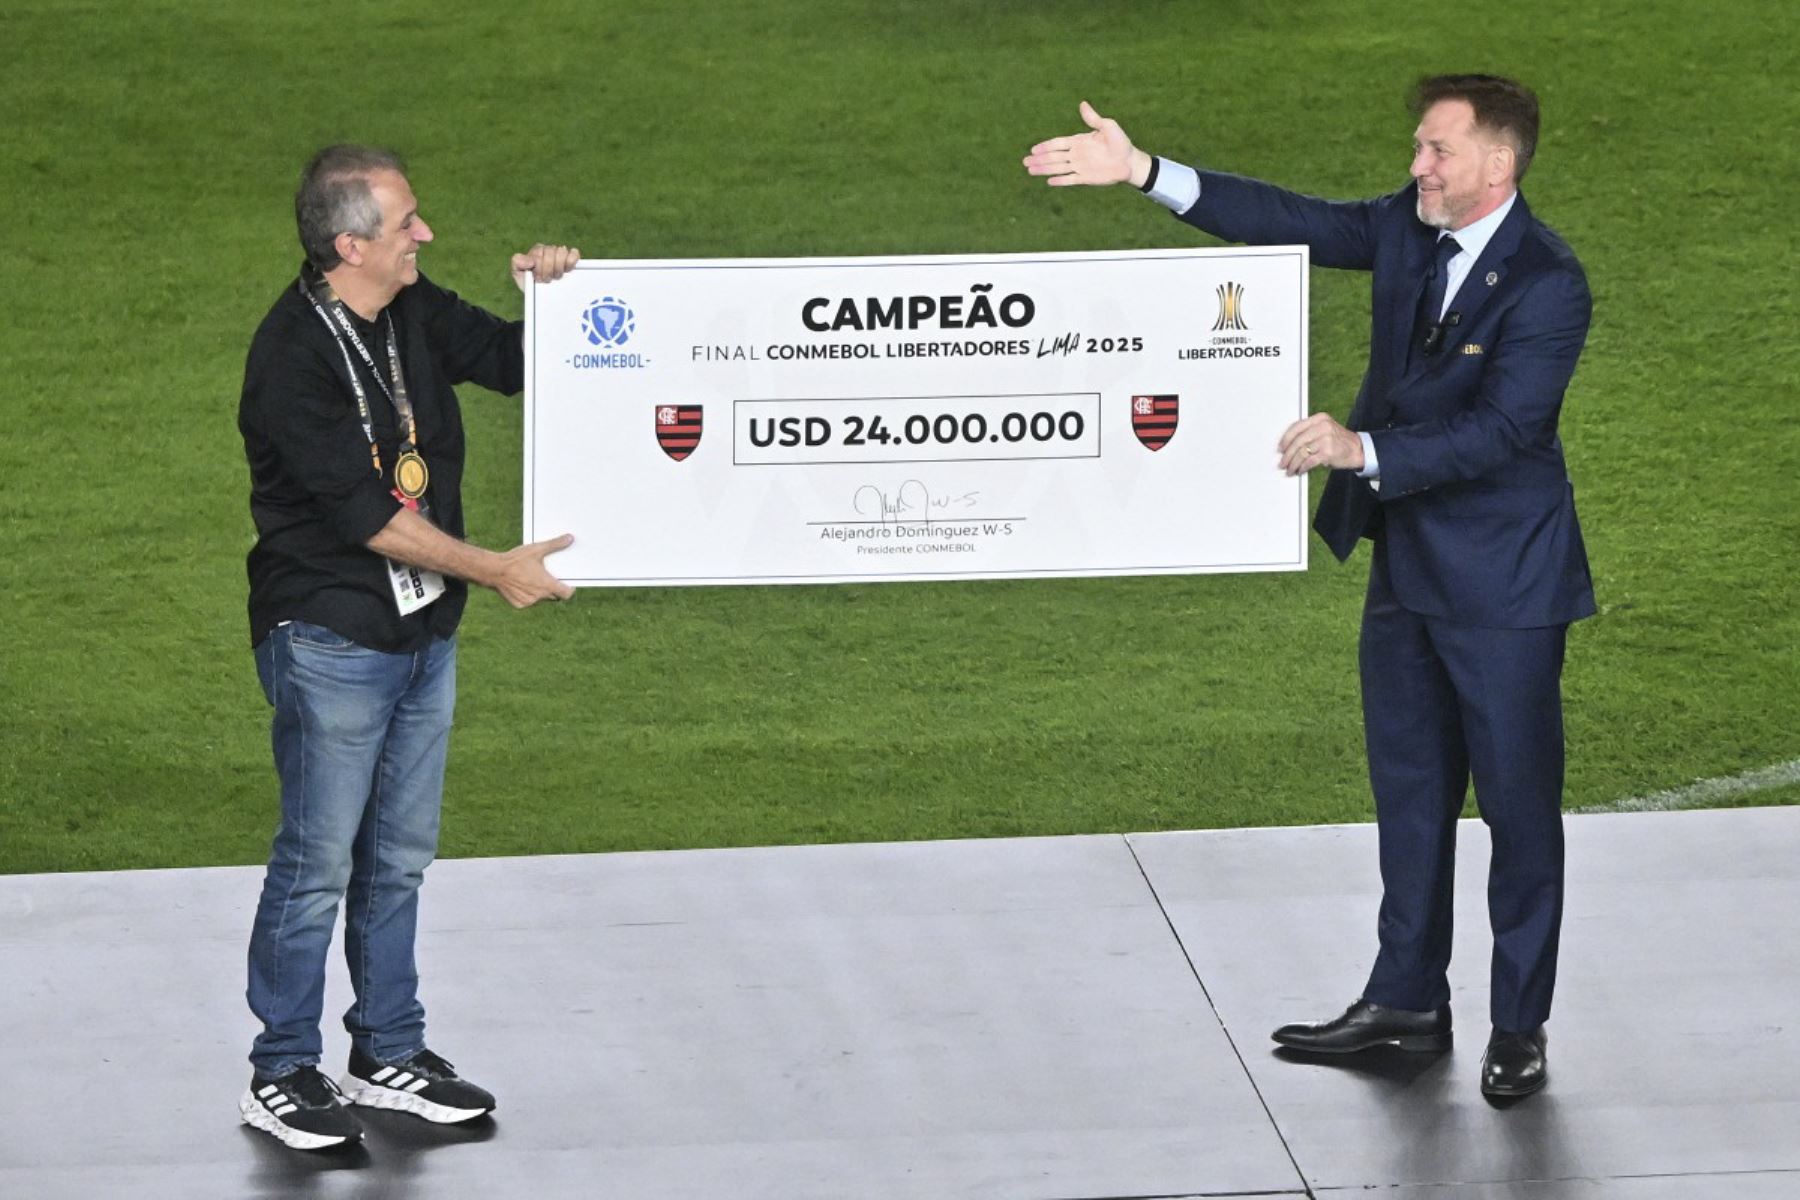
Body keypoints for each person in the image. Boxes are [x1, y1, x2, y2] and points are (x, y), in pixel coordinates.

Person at [1024, 76, 1593, 1098]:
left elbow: (1506, 431)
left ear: (1498, 166)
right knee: (1411, 796)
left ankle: (1520, 1027)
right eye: (1419, 148)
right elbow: (1289, 218)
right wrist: (1146, 171)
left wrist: (1360, 445)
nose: (1417, 167)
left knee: (1518, 810)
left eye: (1437, 152)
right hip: (1409, 572)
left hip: (1506, 589)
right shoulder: (1408, 229)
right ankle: (1407, 1003)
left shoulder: (1550, 281)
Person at [236, 144, 580, 1149]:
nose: (424, 234)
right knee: (316, 862)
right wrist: (497, 567)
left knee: (397, 859)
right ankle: (281, 1070)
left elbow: (520, 363)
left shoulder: (414, 312)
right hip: (333, 635)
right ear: (350, 244)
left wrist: (553, 299)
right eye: (406, 224)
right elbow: (369, 516)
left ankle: (387, 1050)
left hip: (421, 633)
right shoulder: (291, 357)